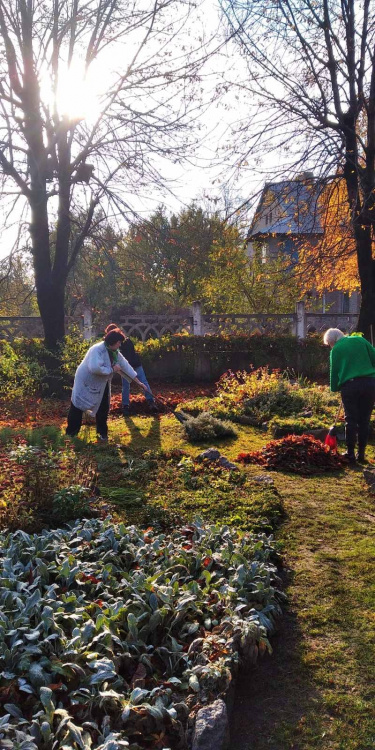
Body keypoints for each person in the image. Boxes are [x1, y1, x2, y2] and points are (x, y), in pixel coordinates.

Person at [66, 328, 148, 441]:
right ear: (113, 341)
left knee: (103, 407)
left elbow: (125, 366)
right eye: (119, 342)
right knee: (77, 407)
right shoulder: (96, 350)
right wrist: (112, 369)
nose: (120, 345)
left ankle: (102, 434)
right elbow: (95, 368)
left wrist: (139, 383)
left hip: (101, 383)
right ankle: (71, 435)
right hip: (85, 383)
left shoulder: (115, 353)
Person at [323, 328, 375, 463]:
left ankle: (350, 453)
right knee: (364, 420)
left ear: (332, 341)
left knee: (351, 419)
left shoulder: (336, 349)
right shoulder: (360, 340)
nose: (330, 347)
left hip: (350, 386)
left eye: (329, 344)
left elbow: (334, 372)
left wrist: (334, 388)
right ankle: (361, 454)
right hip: (370, 384)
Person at [105, 323, 157, 416]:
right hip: (130, 366)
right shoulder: (122, 341)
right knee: (132, 385)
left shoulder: (123, 342)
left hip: (133, 365)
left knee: (139, 383)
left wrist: (124, 368)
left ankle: (147, 402)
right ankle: (129, 405)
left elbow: (125, 357)